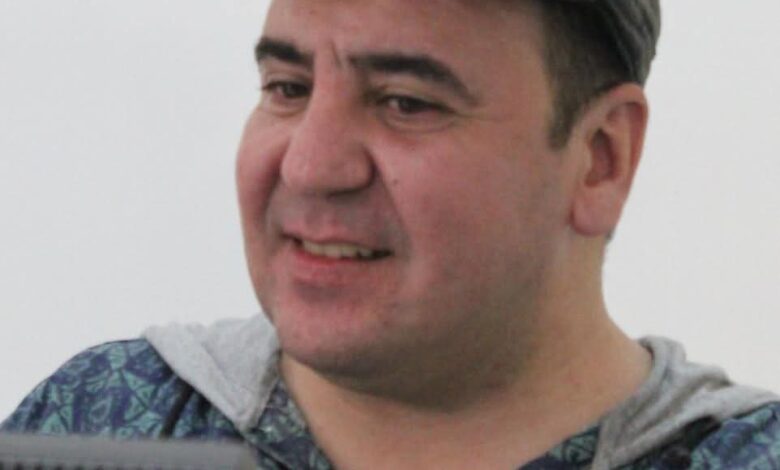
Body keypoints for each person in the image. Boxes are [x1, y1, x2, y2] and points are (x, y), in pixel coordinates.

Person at [3, 0, 779, 468]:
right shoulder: (103, 414)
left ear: (600, 158)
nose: (310, 165)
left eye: (407, 102)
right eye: (288, 87)